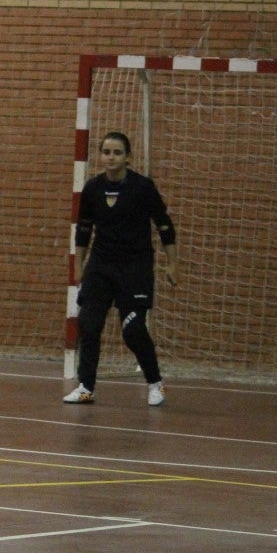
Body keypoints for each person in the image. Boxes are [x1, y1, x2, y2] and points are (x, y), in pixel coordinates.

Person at [65, 130, 178, 407]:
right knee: (89, 325)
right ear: (101, 156)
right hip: (100, 266)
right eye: (106, 152)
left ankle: (156, 383)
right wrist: (79, 266)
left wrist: (174, 263)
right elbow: (83, 231)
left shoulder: (142, 187)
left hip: (134, 267)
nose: (111, 157)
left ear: (127, 157)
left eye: (117, 152)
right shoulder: (92, 189)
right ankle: (86, 386)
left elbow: (164, 226)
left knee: (132, 329)